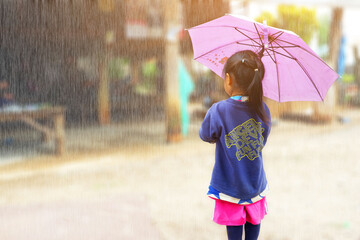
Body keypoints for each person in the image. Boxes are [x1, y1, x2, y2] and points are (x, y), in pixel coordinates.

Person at [199, 50, 271, 240]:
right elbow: (262, 139)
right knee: (254, 225)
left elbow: (205, 134)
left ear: (229, 79)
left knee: (234, 232)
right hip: (255, 183)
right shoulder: (263, 109)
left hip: (231, 186)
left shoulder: (219, 110)